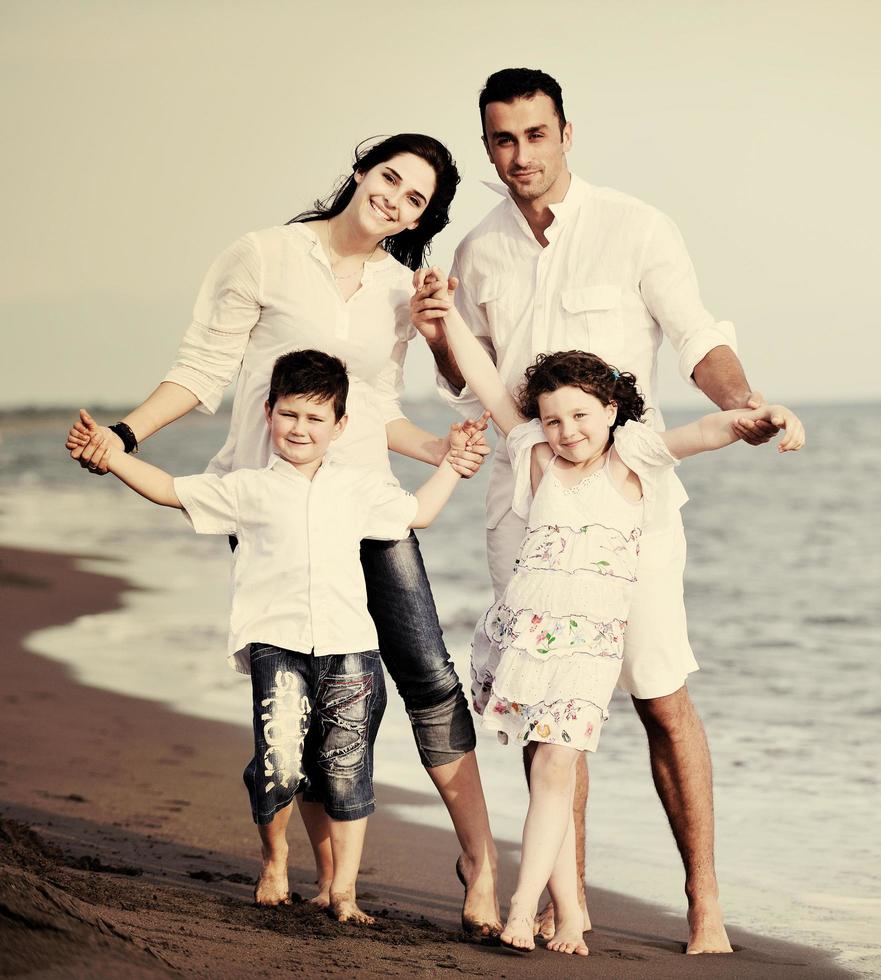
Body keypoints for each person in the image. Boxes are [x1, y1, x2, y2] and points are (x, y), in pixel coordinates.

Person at [64, 134, 503, 937]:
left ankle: (479, 863)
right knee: (306, 680)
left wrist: (438, 446)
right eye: (390, 179)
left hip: (365, 499)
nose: (395, 200)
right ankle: (331, 876)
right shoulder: (263, 256)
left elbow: (374, 405)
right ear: (362, 171)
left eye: (415, 200)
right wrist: (126, 437)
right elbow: (201, 370)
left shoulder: (402, 289)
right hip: (271, 502)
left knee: (428, 673)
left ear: (421, 218)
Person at [412, 68, 790, 952]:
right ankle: (561, 902)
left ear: (566, 133)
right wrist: (437, 330)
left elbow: (700, 339)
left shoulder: (636, 227)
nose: (520, 156)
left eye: (535, 136)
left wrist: (744, 405)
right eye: (502, 140)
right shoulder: (478, 251)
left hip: (630, 506)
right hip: (524, 511)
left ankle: (703, 905)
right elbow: (463, 374)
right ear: (488, 146)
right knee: (550, 711)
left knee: (659, 694)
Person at [436, 310, 803, 952]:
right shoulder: (532, 450)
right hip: (525, 637)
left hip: (588, 648)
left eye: (580, 415)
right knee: (548, 768)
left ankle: (524, 907)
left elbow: (704, 431)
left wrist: (761, 416)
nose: (567, 430)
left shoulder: (632, 454)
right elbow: (490, 385)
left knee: (554, 765)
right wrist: (445, 317)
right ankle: (569, 915)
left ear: (610, 409)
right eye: (553, 419)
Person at [66, 350, 476, 924]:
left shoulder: (358, 490)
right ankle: (276, 857)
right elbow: (168, 490)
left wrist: (453, 464)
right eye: (289, 415)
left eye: (314, 419)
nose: (300, 429)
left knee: (347, 769)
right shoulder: (248, 488)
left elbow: (420, 513)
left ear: (340, 425)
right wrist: (113, 454)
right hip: (276, 644)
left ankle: (345, 893)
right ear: (267, 413)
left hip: (350, 648)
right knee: (281, 763)